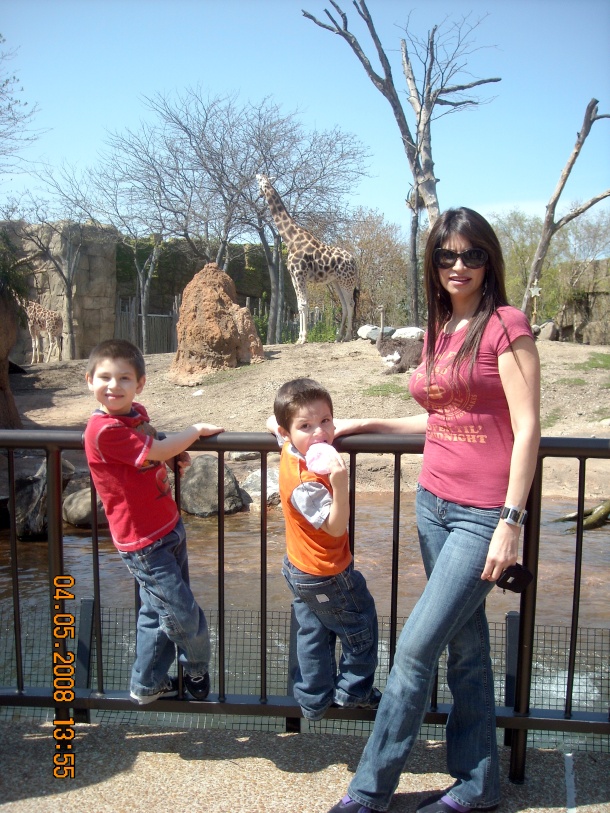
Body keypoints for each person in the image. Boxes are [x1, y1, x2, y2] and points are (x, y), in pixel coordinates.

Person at [327, 207, 541, 813]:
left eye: (472, 254)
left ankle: (367, 793)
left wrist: (511, 522)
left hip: (482, 515)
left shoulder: (506, 324)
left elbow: (527, 430)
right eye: (446, 255)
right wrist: (366, 422)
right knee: (466, 650)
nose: (459, 266)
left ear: (489, 259)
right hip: (433, 503)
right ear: (432, 263)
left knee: (415, 650)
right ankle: (477, 788)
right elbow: (443, 419)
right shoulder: (440, 327)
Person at [84, 339, 224, 704]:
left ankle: (146, 684)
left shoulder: (134, 415)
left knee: (156, 612)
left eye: (124, 378)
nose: (114, 385)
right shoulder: (102, 431)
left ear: (139, 384)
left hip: (168, 528)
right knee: (183, 612)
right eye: (105, 377)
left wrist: (170, 458)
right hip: (143, 542)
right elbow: (156, 449)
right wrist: (191, 432)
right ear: (89, 381)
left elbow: (151, 445)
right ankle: (195, 669)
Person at [268, 378, 381, 721]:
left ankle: (313, 699)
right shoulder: (306, 482)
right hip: (326, 573)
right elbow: (334, 526)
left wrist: (288, 425)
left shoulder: (289, 448)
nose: (318, 433)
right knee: (360, 622)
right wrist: (340, 481)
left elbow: (273, 425)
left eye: (325, 422)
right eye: (305, 426)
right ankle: (353, 691)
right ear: (288, 433)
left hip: (299, 567)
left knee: (314, 631)